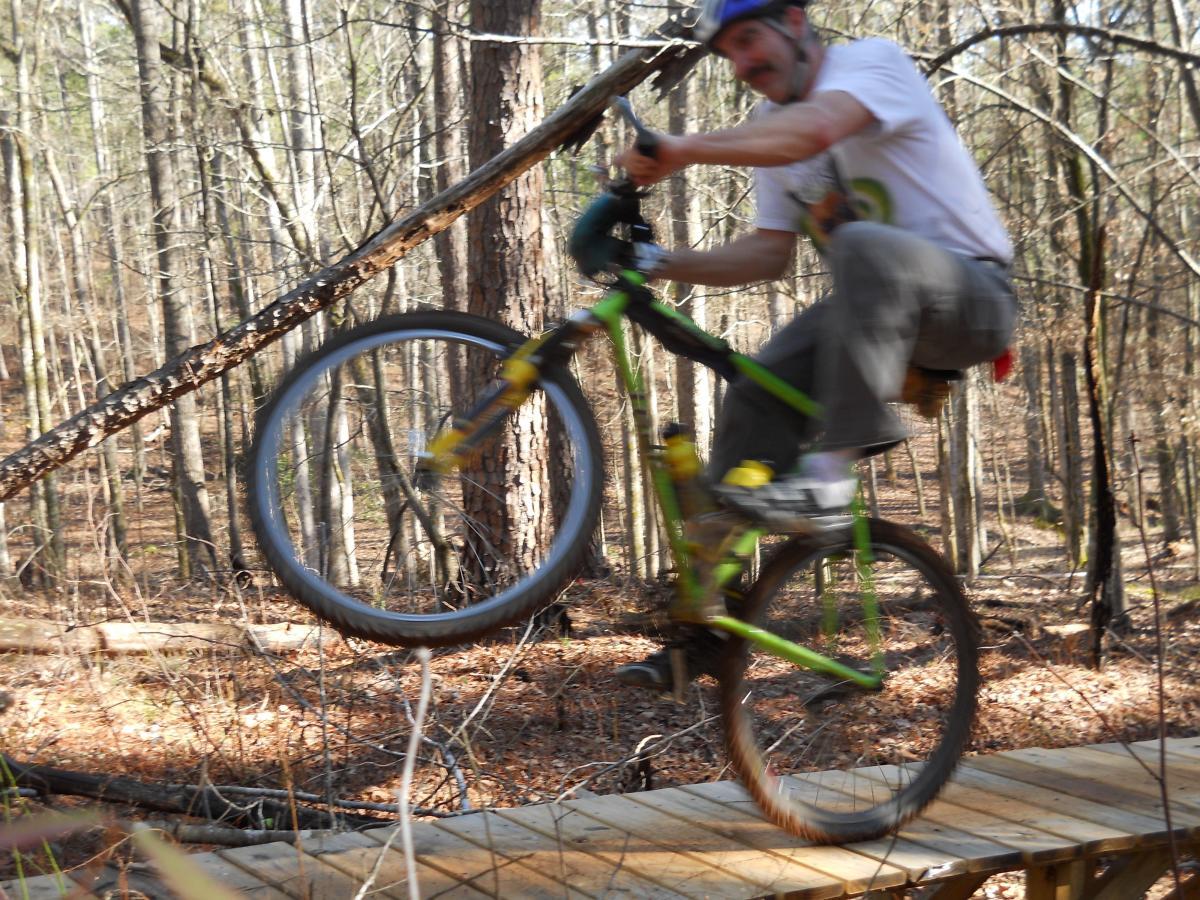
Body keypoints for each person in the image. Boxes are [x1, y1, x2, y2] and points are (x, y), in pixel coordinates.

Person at [613, 0, 1018, 689]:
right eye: (730, 55)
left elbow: (818, 129)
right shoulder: (775, 131)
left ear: (795, 23)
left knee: (861, 243)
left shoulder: (872, 64)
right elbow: (766, 255)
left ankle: (830, 478)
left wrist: (682, 148)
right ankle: (708, 631)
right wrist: (657, 263)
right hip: (875, 312)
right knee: (754, 389)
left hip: (970, 300)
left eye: (750, 41)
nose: (743, 64)